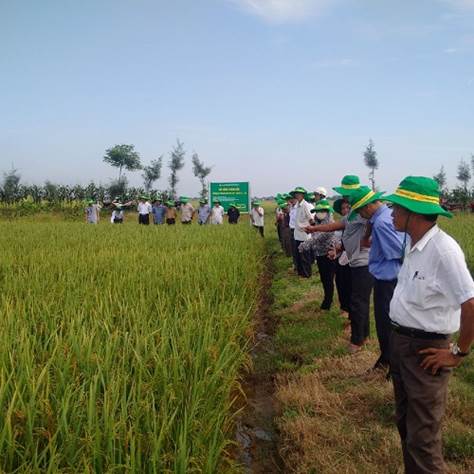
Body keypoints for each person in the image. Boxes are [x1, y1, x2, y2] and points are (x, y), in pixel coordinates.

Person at [384, 176, 474, 474]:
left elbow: (470, 303)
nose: (392, 213)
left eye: (397, 208)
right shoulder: (415, 243)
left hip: (426, 351)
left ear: (414, 213)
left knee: (423, 437)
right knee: (406, 424)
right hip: (402, 344)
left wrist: (458, 353)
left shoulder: (443, 251)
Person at [306, 175, 372, 353]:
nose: (345, 198)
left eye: (347, 195)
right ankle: (363, 334)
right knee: (357, 299)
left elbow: (374, 225)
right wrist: (315, 228)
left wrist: (366, 239)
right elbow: (337, 225)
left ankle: (357, 340)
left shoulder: (364, 211)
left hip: (363, 262)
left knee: (359, 301)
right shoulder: (353, 212)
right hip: (353, 260)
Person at [348, 186, 405, 371]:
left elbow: (398, 250)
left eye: (359, 211)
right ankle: (387, 360)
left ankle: (390, 363)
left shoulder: (381, 222)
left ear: (367, 207)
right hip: (391, 278)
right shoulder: (387, 216)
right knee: (387, 322)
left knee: (385, 324)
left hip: (388, 280)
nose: (360, 216)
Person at [300, 199, 336, 310]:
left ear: (327, 211)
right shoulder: (317, 221)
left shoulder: (331, 224)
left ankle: (327, 302)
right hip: (319, 254)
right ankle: (327, 299)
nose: (320, 213)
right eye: (318, 211)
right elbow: (315, 235)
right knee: (324, 279)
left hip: (328, 254)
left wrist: (303, 246)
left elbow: (318, 238)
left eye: (322, 211)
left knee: (328, 279)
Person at [329, 198, 352, 316]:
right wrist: (335, 250)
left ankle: (349, 311)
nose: (345, 210)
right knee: (340, 282)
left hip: (351, 260)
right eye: (343, 208)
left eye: (348, 207)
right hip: (340, 259)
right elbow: (336, 240)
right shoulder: (341, 224)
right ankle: (344, 308)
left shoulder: (355, 224)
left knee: (349, 285)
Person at [290, 187, 314, 278]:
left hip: (304, 235)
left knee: (305, 256)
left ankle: (307, 274)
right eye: (296, 194)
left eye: (299, 194)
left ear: (303, 195)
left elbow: (310, 218)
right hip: (297, 234)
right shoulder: (298, 205)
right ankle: (301, 273)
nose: (297, 195)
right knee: (299, 255)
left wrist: (312, 229)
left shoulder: (305, 205)